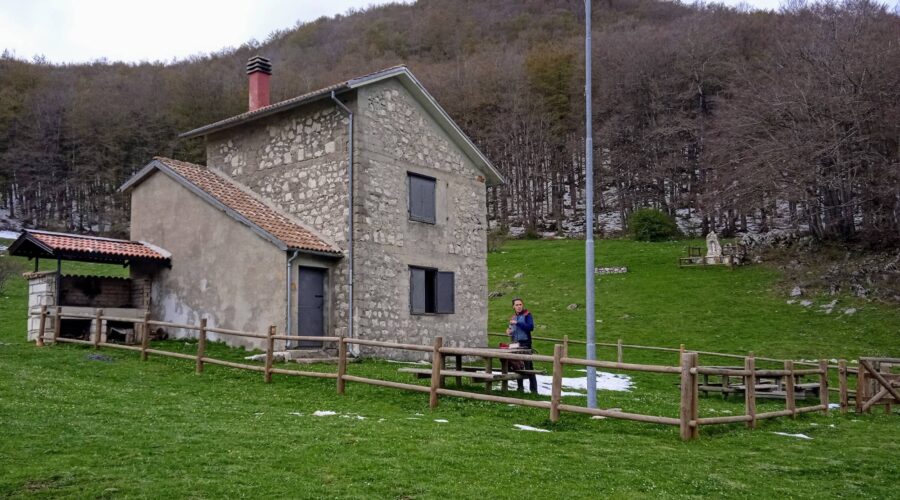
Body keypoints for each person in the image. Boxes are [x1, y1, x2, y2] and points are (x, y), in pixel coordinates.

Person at [506, 298, 538, 394]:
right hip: (515, 344)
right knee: (517, 366)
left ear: (522, 305)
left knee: (529, 367)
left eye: (520, 304)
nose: (519, 306)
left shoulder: (527, 315)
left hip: (525, 343)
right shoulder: (513, 317)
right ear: (513, 307)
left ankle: (534, 390)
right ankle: (520, 388)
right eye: (517, 305)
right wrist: (509, 332)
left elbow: (530, 327)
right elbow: (512, 330)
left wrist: (518, 323)